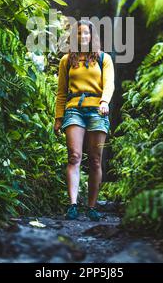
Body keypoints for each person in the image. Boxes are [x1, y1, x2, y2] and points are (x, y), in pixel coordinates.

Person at [53, 20, 115, 221]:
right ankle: (72, 205)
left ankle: (91, 206)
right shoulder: (66, 60)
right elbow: (61, 92)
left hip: (98, 110)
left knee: (96, 160)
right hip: (74, 111)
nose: (83, 37)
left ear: (92, 36)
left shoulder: (103, 58)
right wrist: (58, 118)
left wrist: (105, 101)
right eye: (79, 34)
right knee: (74, 156)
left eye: (87, 34)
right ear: (75, 37)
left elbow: (109, 84)